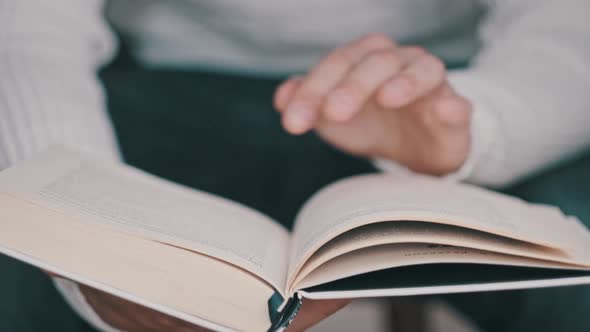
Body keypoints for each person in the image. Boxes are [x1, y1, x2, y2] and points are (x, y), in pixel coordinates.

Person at [0, 0, 589, 331]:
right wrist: (73, 234)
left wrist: (472, 129)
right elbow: (29, 27)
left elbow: (568, 29)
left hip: (448, 86)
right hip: (157, 85)